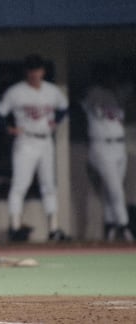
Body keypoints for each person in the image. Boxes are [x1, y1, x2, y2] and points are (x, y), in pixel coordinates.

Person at [0, 54, 69, 242]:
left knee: (49, 185)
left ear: (43, 71)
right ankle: (15, 226)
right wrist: (9, 129)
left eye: (38, 69)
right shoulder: (16, 91)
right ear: (26, 72)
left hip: (45, 141)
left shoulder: (52, 91)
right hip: (25, 141)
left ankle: (54, 228)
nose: (35, 73)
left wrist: (56, 121)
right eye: (31, 69)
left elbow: (64, 107)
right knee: (20, 184)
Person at [81, 65, 134, 242]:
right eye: (110, 77)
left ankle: (111, 225)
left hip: (119, 146)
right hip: (101, 147)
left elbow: (128, 89)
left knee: (113, 189)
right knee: (115, 189)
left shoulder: (118, 95)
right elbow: (83, 100)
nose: (113, 81)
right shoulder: (94, 93)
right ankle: (125, 227)